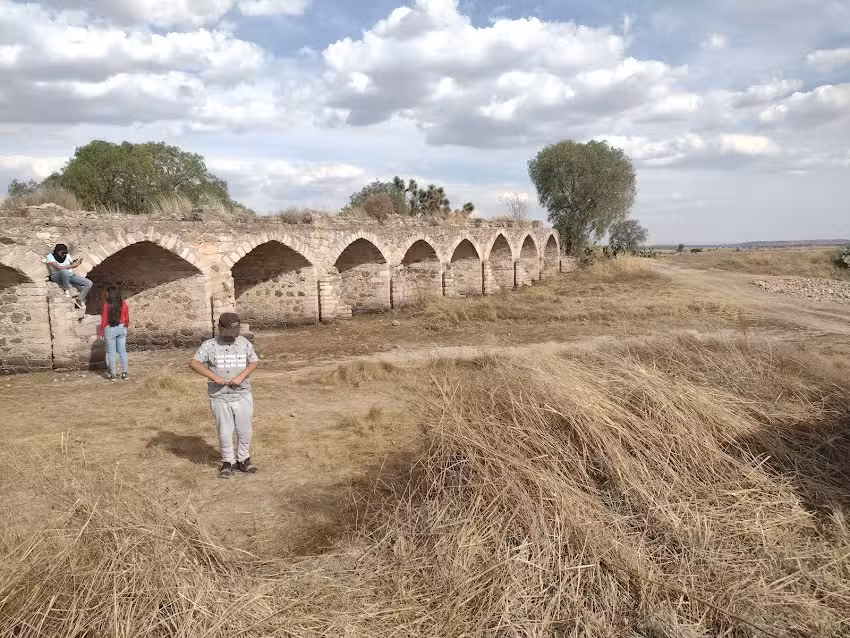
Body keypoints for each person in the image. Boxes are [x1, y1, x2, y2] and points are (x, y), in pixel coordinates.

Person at [189, 312, 260, 479]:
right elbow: (194, 362)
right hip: (220, 397)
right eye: (226, 333)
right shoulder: (209, 345)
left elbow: (254, 361)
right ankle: (228, 461)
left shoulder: (244, 343)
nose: (230, 337)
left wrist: (241, 377)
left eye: (233, 333)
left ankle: (243, 459)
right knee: (225, 432)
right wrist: (214, 377)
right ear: (219, 328)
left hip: (242, 395)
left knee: (244, 430)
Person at [45, 243, 92, 310]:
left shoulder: (67, 256)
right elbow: (58, 268)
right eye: (62, 253)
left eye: (65, 253)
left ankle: (79, 299)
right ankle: (66, 289)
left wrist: (75, 263)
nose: (64, 255)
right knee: (64, 271)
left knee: (89, 283)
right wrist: (72, 266)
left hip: (69, 276)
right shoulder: (50, 257)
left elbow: (70, 264)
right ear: (58, 251)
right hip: (56, 275)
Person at [99, 286, 129, 381]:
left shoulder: (106, 305)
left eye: (107, 292)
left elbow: (104, 320)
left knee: (111, 353)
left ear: (109, 294)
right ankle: (124, 374)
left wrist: (101, 332)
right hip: (121, 328)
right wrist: (125, 327)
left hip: (110, 329)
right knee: (123, 352)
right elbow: (127, 317)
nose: (106, 294)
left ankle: (113, 375)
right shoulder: (123, 303)